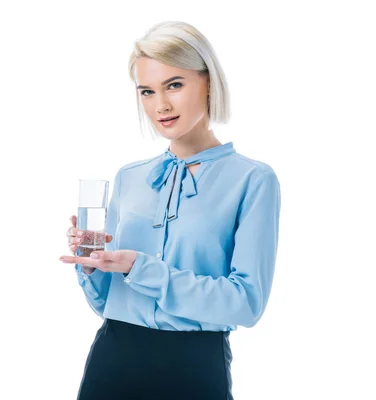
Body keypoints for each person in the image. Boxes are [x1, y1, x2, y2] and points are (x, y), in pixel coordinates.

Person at [59, 21, 281, 399]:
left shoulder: (252, 180)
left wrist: (140, 268)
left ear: (208, 82)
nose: (160, 105)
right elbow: (105, 302)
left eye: (174, 85)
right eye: (147, 91)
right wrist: (91, 265)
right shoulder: (129, 177)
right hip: (112, 359)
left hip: (193, 367)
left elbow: (246, 304)